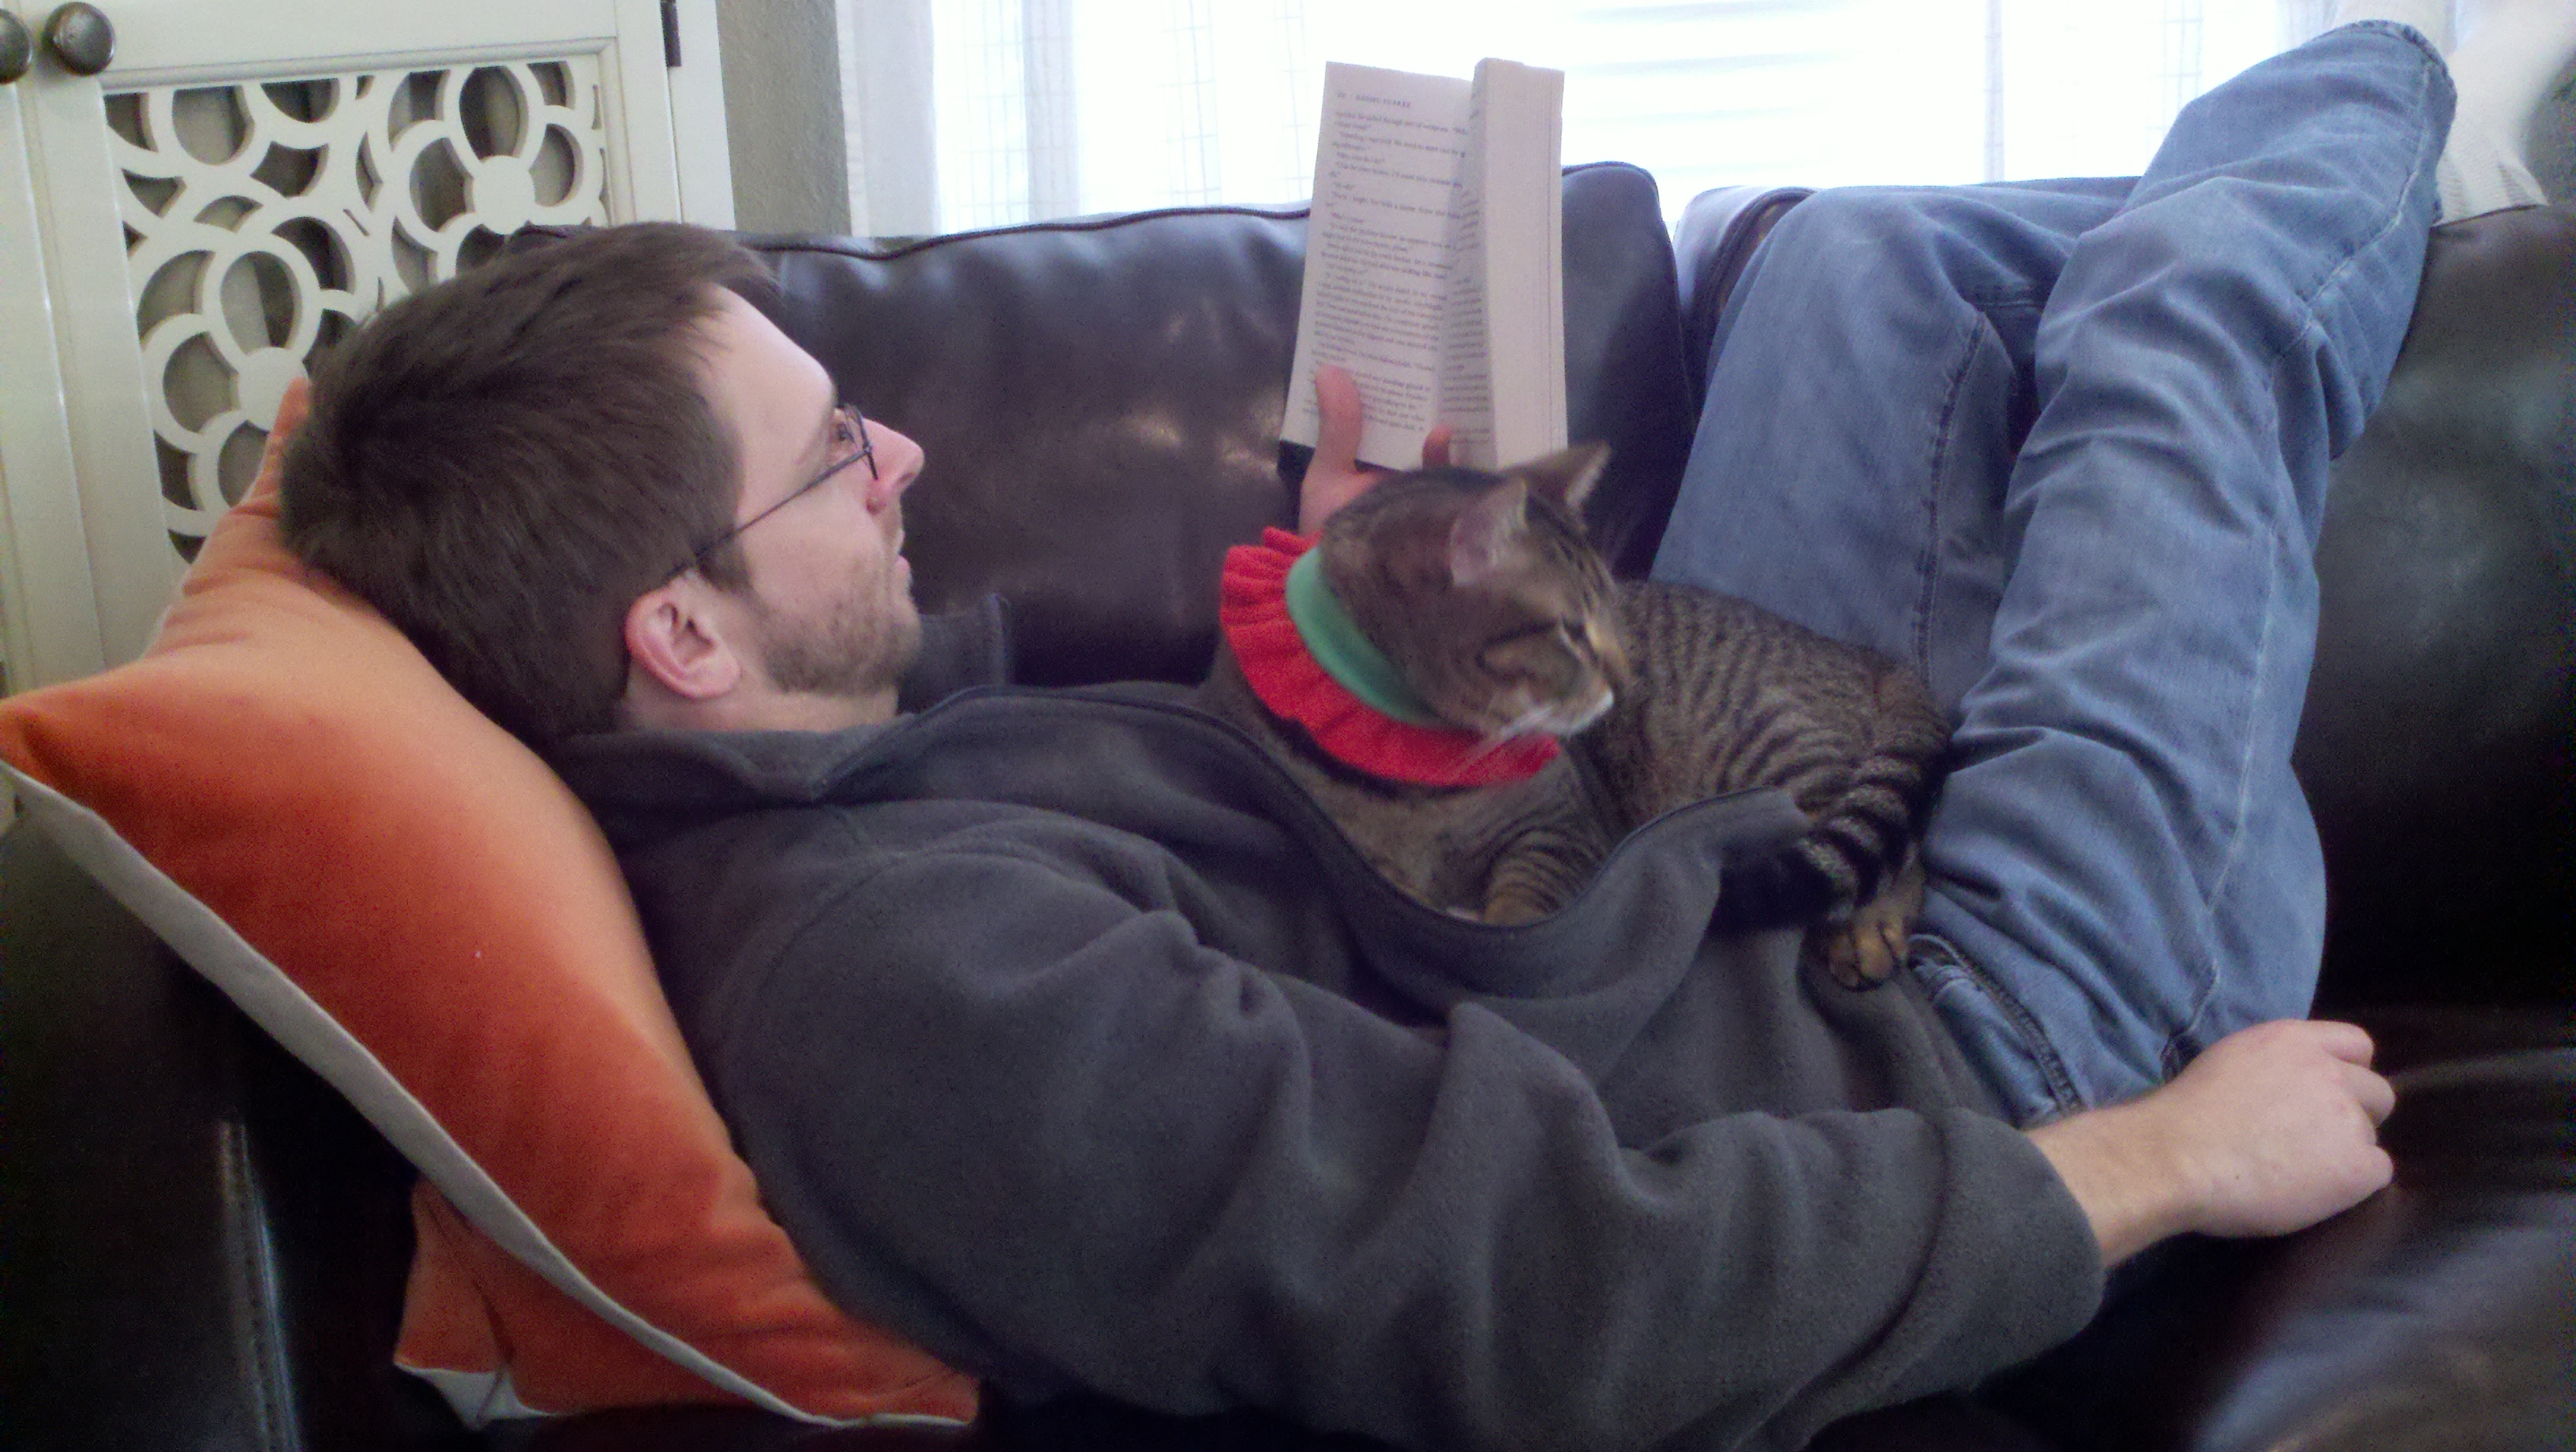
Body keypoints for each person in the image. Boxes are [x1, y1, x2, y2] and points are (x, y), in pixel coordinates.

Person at [273, 17, 2563, 1450]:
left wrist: (1354, 587)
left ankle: (2302, 230)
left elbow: (1226, 840)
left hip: (1706, 864)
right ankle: (2440, 117)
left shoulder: (865, 758)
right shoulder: (904, 998)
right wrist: (2168, 1161)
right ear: (682, 630)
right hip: (1979, 1055)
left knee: (1859, 259)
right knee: (2191, 315)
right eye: (832, 455)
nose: (903, 457)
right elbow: (1556, 1287)